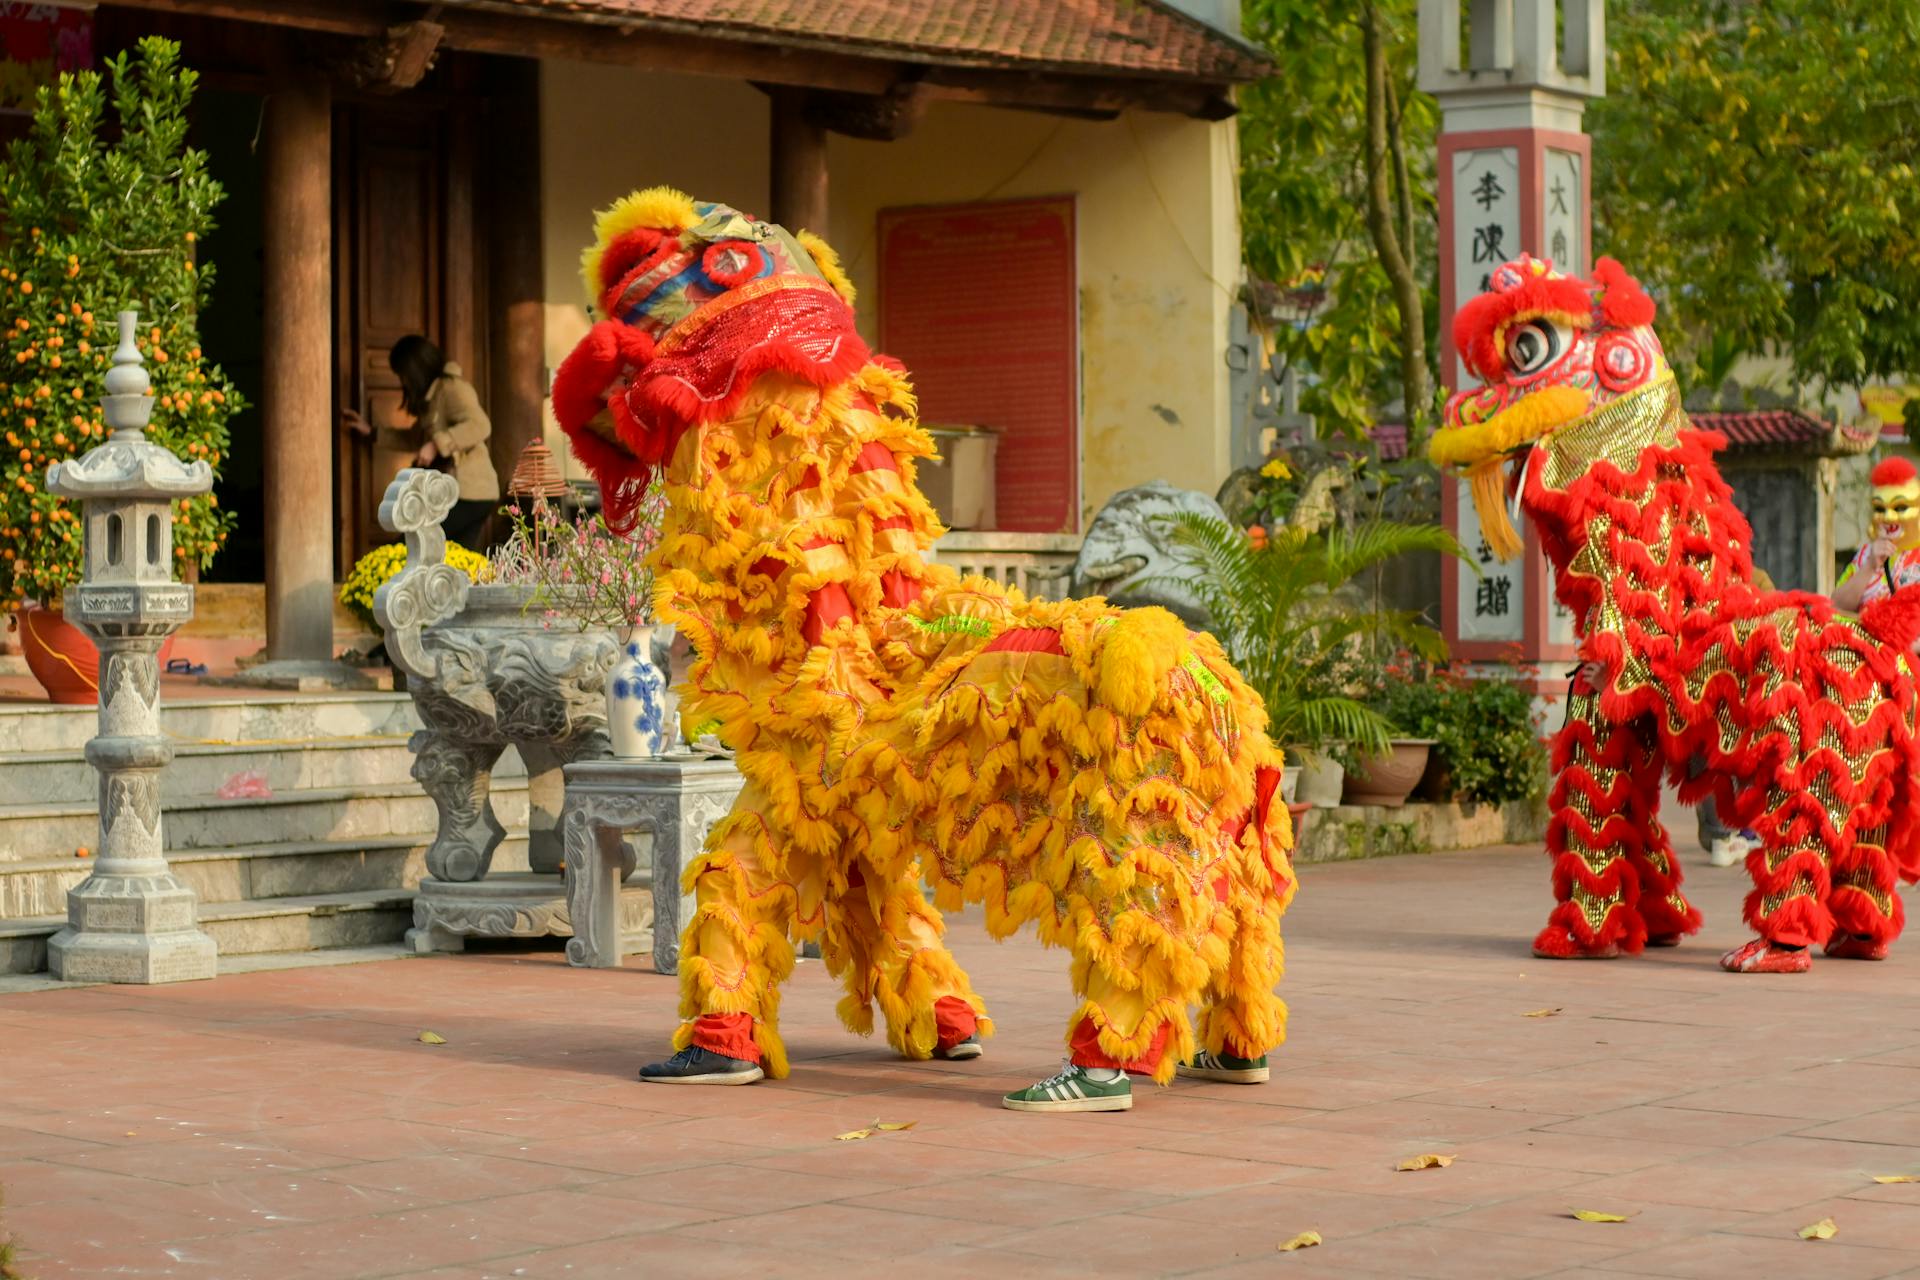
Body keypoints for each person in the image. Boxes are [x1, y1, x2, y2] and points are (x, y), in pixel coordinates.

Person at [343, 335, 500, 550]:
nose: (402, 382)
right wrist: (370, 432)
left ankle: (379, 579)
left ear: (413, 370)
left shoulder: (451, 389)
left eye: (402, 375)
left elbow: (481, 425)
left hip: (469, 493)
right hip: (460, 494)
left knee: (409, 547)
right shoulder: (433, 397)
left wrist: (437, 444)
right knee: (454, 564)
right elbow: (415, 438)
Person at [1833, 457, 1920, 614]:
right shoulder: (1865, 555)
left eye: (1899, 508)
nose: (1888, 517)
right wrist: (1871, 566)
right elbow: (1834, 607)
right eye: (1880, 509)